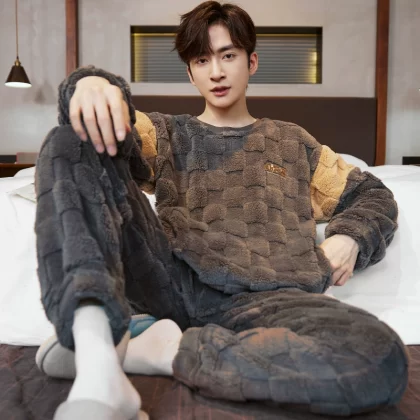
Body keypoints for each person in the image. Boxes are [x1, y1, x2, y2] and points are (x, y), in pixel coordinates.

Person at [34, 2, 408, 419]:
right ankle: (96, 362)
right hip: (172, 283)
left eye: (228, 55)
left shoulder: (293, 143)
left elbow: (372, 194)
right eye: (202, 60)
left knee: (381, 357)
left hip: (273, 299)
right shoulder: (167, 133)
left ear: (252, 62)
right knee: (71, 139)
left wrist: (350, 237)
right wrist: (89, 84)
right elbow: (107, 128)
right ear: (190, 73)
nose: (215, 72)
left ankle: (157, 350)